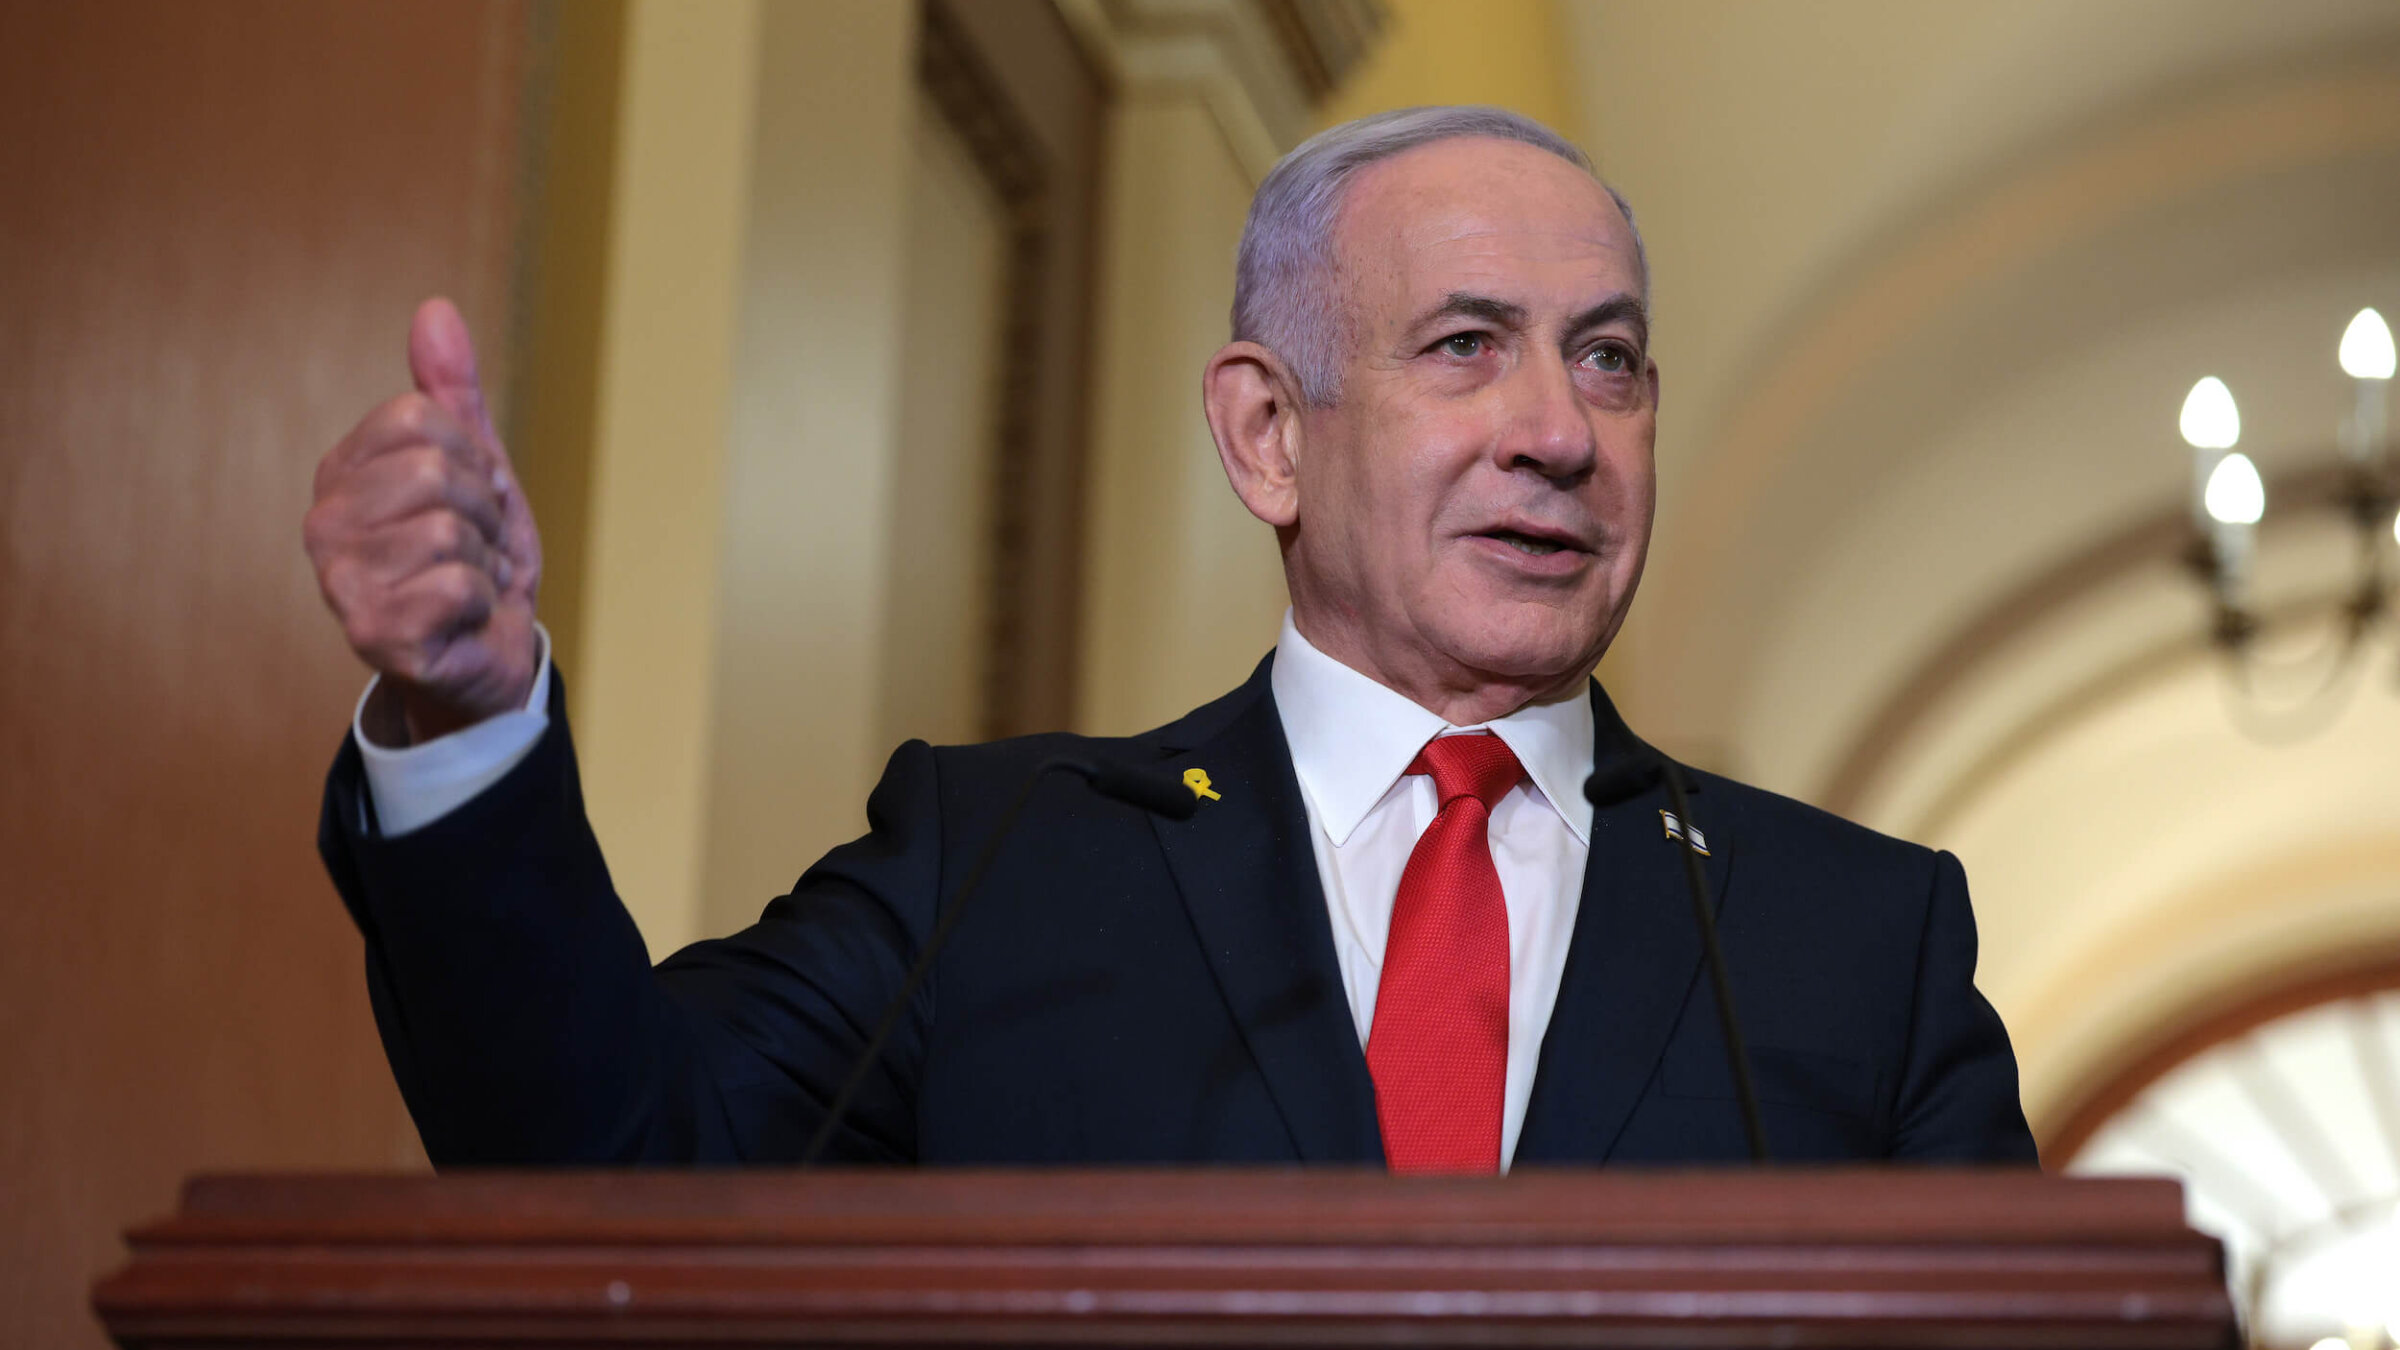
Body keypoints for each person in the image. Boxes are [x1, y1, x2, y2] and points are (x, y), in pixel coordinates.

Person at [303, 106, 2037, 1169]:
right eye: (1464, 345)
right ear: (1267, 434)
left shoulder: (1848, 941)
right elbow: (618, 1162)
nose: (1560, 428)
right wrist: (463, 719)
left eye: (1608, 357)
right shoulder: (993, 872)